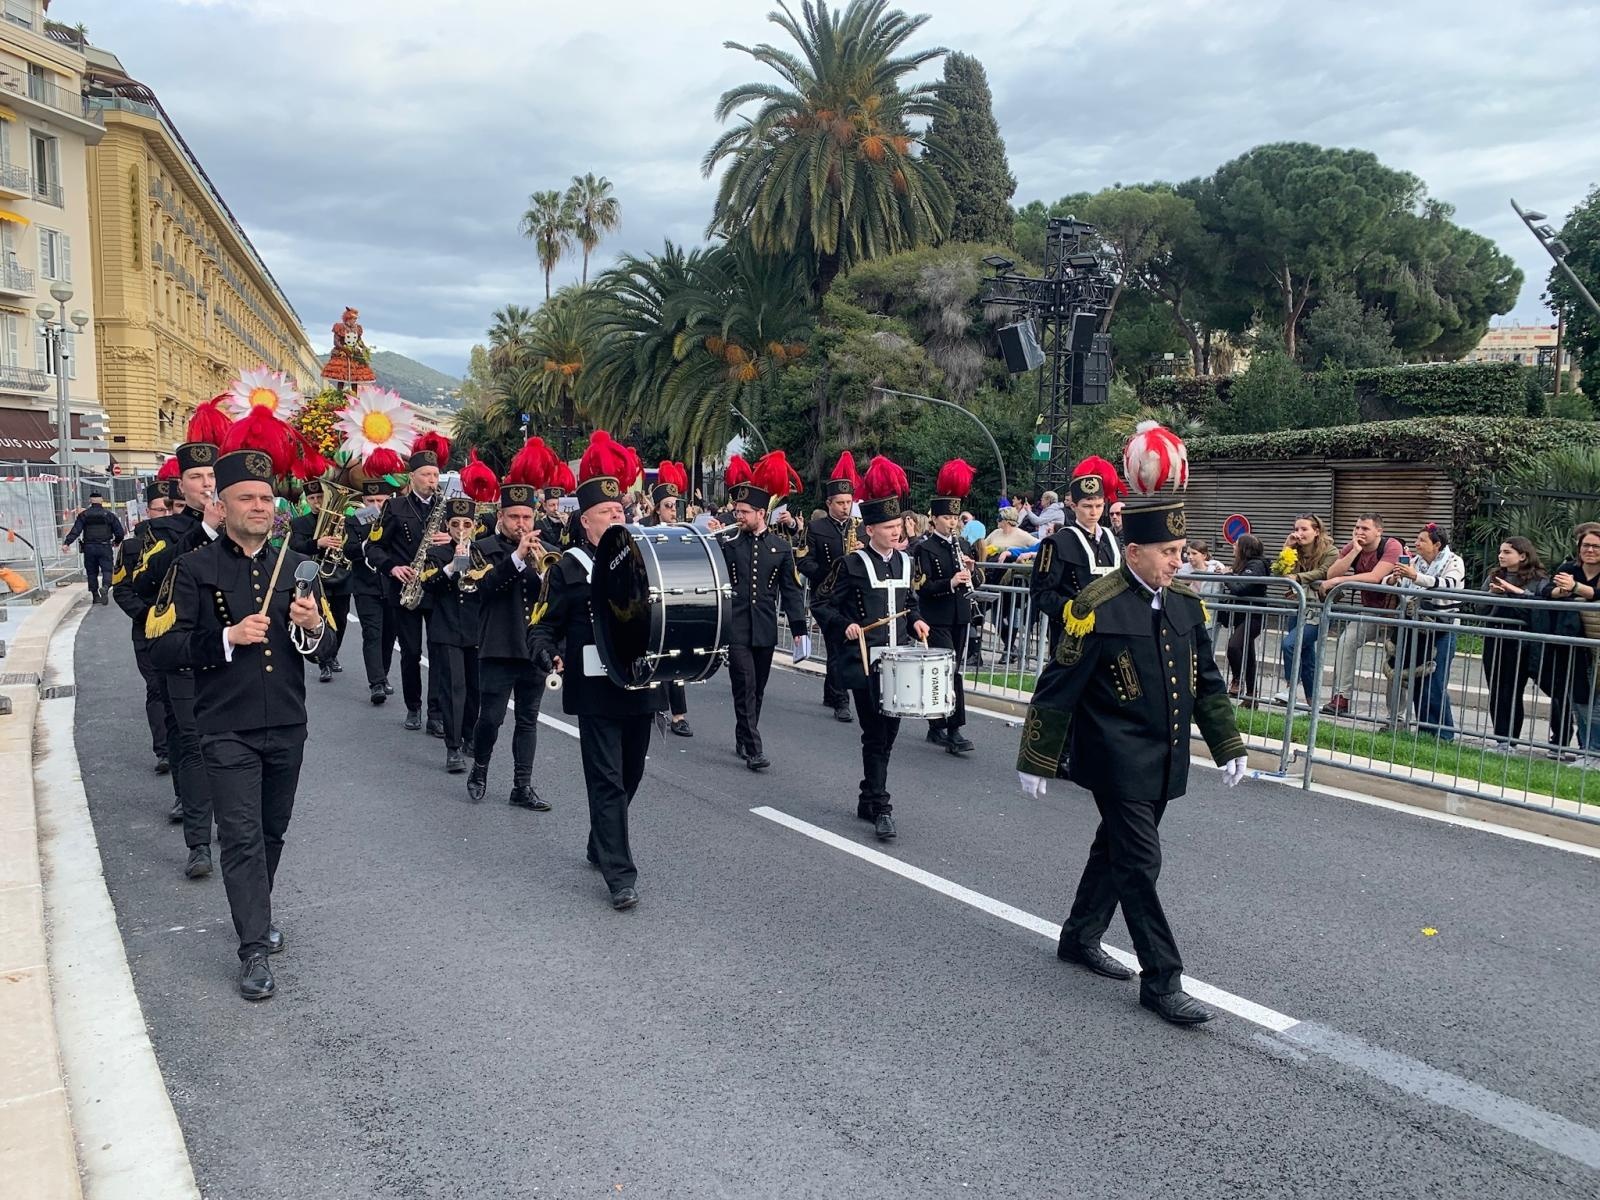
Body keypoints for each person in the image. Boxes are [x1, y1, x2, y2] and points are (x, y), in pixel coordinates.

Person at [1015, 423, 1248, 1027]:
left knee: (1113, 851)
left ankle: (1080, 934)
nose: (1179, 560)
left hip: (1164, 757)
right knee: (1141, 863)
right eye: (1169, 553)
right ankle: (1162, 980)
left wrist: (1227, 745)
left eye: (1180, 551)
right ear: (1137, 552)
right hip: (1112, 757)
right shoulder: (1093, 606)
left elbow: (1207, 684)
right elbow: (1057, 684)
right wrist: (1036, 758)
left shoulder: (1186, 607)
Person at [149, 438, 333, 1001]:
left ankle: (257, 912)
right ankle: (253, 947)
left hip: (287, 722)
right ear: (221, 505)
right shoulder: (191, 568)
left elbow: (326, 651)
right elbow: (163, 647)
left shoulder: (298, 567)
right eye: (247, 498)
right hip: (225, 725)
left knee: (272, 832)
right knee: (242, 836)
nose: (260, 506)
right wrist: (226, 637)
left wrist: (309, 626)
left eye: (267, 497)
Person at [529, 431, 663, 911]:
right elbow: (542, 626)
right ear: (585, 521)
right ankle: (620, 876)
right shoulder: (567, 567)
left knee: (630, 773)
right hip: (593, 686)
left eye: (620, 510)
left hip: (641, 681)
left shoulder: (646, 558)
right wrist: (548, 654)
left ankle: (599, 840)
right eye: (607, 513)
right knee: (605, 778)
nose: (617, 516)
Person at [132, 406, 229, 876]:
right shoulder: (160, 529)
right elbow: (150, 578)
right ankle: (198, 844)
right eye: (197, 476)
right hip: (186, 651)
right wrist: (206, 528)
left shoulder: (242, 522)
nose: (206, 482)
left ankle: (233, 831)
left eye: (213, 474)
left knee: (229, 746)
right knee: (190, 745)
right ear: (182, 484)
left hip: (231, 651)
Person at [813, 454, 930, 842]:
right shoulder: (852, 564)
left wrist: (915, 619)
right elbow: (822, 602)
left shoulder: (907, 562)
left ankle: (868, 794)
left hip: (900, 663)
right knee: (875, 734)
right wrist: (844, 624)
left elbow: (910, 603)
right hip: (867, 663)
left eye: (899, 526)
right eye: (889, 527)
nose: (896, 532)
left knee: (888, 735)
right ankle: (881, 804)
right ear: (871, 530)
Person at [465, 449, 552, 809]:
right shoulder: (482, 550)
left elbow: (554, 602)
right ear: (500, 516)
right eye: (514, 516)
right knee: (491, 718)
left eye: (527, 517)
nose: (521, 523)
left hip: (533, 649)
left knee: (528, 721)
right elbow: (485, 589)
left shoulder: (548, 550)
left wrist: (547, 572)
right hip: (498, 646)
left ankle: (522, 786)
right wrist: (517, 556)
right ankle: (480, 768)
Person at [723, 452, 809, 771]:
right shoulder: (729, 544)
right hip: (736, 628)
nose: (739, 516)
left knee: (757, 688)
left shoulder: (781, 547)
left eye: (744, 511)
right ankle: (754, 748)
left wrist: (800, 631)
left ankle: (744, 734)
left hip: (764, 628)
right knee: (744, 685)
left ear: (761, 512)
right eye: (737, 511)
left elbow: (791, 591)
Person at [366, 433, 452, 732]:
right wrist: (393, 568)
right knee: (412, 652)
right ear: (413, 477)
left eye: (435, 474)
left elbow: (470, 544)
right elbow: (373, 547)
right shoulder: (394, 507)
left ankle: (436, 713)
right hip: (406, 589)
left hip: (439, 588)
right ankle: (413, 707)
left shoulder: (448, 508)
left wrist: (454, 539)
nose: (432, 480)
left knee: (440, 652)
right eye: (426, 475)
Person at [914, 459, 978, 756]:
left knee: (949, 669)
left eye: (955, 518)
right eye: (947, 518)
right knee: (948, 670)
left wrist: (973, 571)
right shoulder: (924, 548)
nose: (953, 523)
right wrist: (950, 582)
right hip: (935, 616)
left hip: (960, 614)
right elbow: (922, 587)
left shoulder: (963, 546)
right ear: (935, 519)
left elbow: (975, 580)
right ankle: (954, 730)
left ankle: (935, 725)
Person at [111, 480, 174, 775]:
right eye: (158, 509)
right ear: (148, 511)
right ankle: (164, 751)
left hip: (184, 626)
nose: (164, 514)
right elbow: (121, 589)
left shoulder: (189, 538)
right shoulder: (133, 545)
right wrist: (148, 614)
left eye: (169, 508)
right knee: (157, 689)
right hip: (147, 627)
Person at [798, 453, 865, 724]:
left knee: (840, 647)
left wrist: (863, 552)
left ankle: (831, 692)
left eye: (848, 502)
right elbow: (803, 560)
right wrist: (831, 573)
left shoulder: (860, 528)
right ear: (829, 503)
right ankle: (841, 701)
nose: (845, 508)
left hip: (851, 597)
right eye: (840, 503)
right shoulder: (815, 527)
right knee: (836, 646)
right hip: (826, 596)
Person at [421, 497, 484, 774]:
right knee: (454, 689)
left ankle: (470, 737)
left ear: (474, 527)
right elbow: (428, 584)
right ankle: (453, 747)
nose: (461, 528)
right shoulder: (437, 554)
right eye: (455, 524)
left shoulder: (482, 553)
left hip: (476, 629)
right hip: (446, 628)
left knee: (475, 688)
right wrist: (450, 567)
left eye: (466, 524)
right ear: (447, 525)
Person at [1031, 465, 1122, 655]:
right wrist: (1070, 610)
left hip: (1111, 631)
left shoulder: (1110, 539)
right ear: (1074, 506)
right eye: (1087, 506)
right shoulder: (1056, 543)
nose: (1093, 512)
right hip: (1071, 636)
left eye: (1098, 506)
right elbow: (1041, 592)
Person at [1319, 513, 1404, 717]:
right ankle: (1342, 698)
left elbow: (1376, 577)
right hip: (1370, 610)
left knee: (1396, 658)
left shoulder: (1391, 546)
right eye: (1357, 528)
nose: (1359, 532)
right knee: (1346, 640)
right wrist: (1353, 551)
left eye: (1365, 529)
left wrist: (1341, 581)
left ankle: (1396, 715)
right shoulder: (1354, 546)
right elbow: (1330, 574)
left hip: (1396, 613)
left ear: (1378, 531)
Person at [1387, 523, 1466, 740]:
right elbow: (1389, 582)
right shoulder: (1415, 562)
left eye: (1422, 540)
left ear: (1437, 544)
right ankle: (1425, 732)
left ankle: (1443, 734)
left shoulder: (1454, 561)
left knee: (1436, 681)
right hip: (1417, 627)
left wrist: (1414, 577)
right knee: (1419, 679)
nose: (1416, 543)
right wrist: (1393, 579)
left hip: (1442, 627)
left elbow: (1448, 584)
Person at [640, 462, 694, 737]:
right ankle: (653, 705)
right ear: (657, 508)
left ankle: (679, 715)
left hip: (677, 601)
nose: (674, 511)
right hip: (652, 602)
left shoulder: (687, 531)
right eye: (669, 506)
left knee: (677, 658)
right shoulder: (642, 531)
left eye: (676, 505)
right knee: (654, 655)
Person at [1476, 538, 1547, 746]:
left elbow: (1536, 609)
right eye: (1500, 552)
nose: (1501, 556)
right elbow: (1480, 608)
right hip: (1495, 638)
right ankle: (1500, 739)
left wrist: (1511, 592)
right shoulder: (1495, 575)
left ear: (1523, 555)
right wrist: (1492, 594)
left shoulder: (1538, 579)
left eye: (1507, 552)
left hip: (1520, 641)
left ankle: (1511, 741)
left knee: (1512, 690)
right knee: (1496, 690)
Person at [1539, 523, 1600, 755]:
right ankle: (1588, 750)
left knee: (1597, 704)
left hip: (1596, 645)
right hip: (1572, 644)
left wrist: (1576, 588)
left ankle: (1595, 750)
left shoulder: (1574, 578)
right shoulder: (1569, 568)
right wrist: (1559, 592)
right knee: (1580, 702)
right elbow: (1545, 591)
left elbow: (1596, 594)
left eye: (1596, 546)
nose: (1590, 550)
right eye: (1586, 545)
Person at [288, 478, 355, 683]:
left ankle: (333, 654)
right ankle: (325, 661)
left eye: (320, 497)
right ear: (307, 500)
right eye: (312, 498)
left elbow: (351, 545)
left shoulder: (343, 520)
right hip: (317, 577)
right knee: (323, 618)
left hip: (341, 576)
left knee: (341, 619)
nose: (317, 501)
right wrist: (318, 543)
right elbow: (296, 546)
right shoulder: (299, 522)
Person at [1269, 516, 1338, 708]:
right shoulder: (1295, 550)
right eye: (1296, 529)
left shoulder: (1330, 551)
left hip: (1319, 609)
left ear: (1316, 531)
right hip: (1299, 606)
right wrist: (1287, 547)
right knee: (1307, 656)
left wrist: (1298, 578)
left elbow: (1324, 572)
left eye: (1304, 529)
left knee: (1290, 644)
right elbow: (1279, 571)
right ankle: (1312, 705)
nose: (1299, 534)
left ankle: (1290, 688)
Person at [348, 469, 397, 703]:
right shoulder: (355, 520)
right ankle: (376, 683)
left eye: (381, 500)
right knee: (372, 633)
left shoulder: (396, 519)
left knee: (389, 635)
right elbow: (348, 550)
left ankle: (383, 675)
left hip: (391, 584)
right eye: (371, 501)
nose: (376, 505)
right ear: (363, 501)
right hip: (365, 585)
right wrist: (366, 544)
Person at [1222, 533, 1270, 704]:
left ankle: (1236, 680)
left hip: (1253, 615)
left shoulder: (1256, 564)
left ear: (1244, 548)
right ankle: (1251, 698)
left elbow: (1240, 588)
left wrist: (1227, 576)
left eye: (1236, 544)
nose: (1233, 547)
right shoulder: (1245, 564)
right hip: (1242, 615)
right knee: (1248, 656)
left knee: (1234, 646)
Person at [63, 491, 125, 604]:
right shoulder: (109, 515)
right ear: (102, 500)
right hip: (105, 546)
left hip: (89, 547)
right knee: (107, 570)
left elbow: (76, 530)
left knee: (91, 572)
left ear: (90, 501)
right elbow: (120, 532)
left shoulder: (84, 515)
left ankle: (95, 596)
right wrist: (117, 542)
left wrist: (67, 543)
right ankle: (105, 587)